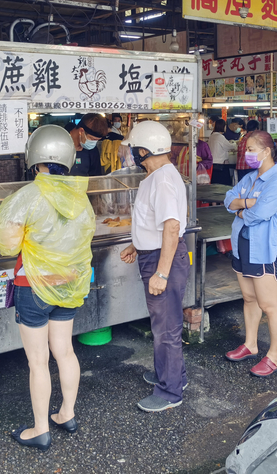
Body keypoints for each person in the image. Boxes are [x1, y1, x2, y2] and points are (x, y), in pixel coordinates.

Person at [0, 125, 95, 451]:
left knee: (38, 361)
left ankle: (40, 429)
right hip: (69, 285)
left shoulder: (27, 196)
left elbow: (8, 244)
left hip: (33, 288)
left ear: (35, 159)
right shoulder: (80, 198)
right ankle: (67, 413)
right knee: (64, 351)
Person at [120, 121, 190, 412]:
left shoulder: (161, 180)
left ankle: (170, 392)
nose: (130, 155)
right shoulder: (158, 175)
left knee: (166, 327)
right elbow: (155, 222)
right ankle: (172, 375)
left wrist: (161, 272)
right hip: (155, 253)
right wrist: (136, 244)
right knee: (164, 322)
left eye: (132, 150)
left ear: (143, 150)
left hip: (165, 258)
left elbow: (171, 227)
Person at [223, 131, 277, 377]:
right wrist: (247, 202)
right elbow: (228, 200)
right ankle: (250, 344)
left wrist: (243, 208)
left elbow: (257, 216)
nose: (247, 154)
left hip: (263, 249)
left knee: (269, 305)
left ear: (267, 151)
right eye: (246, 149)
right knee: (249, 299)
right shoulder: (251, 178)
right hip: (242, 245)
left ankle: (274, 356)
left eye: (252, 149)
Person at [208, 119, 236, 186]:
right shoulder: (220, 137)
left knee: (214, 184)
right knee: (223, 185)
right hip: (220, 165)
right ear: (222, 126)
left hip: (213, 164)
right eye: (225, 126)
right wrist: (235, 143)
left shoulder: (212, 136)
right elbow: (230, 147)